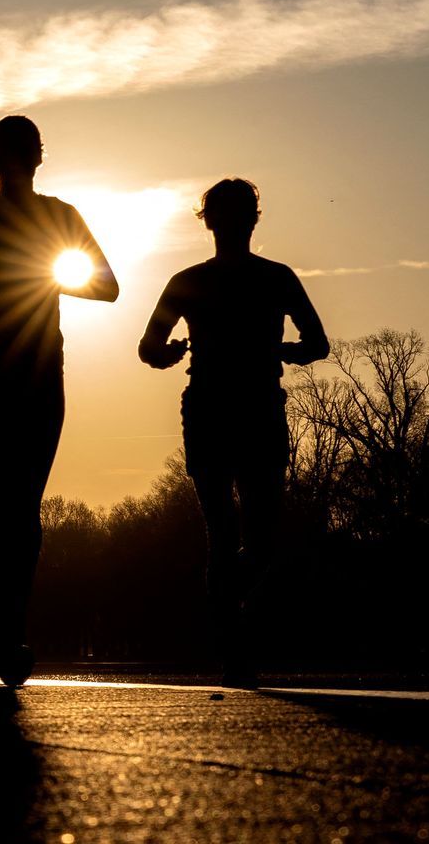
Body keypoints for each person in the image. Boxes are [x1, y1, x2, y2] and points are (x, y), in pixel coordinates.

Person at [0, 115, 117, 688]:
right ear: (37, 157)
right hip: (21, 372)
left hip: (7, 371)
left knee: (8, 503)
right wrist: (51, 282)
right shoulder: (47, 216)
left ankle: (9, 633)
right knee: (18, 504)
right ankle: (10, 633)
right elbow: (105, 286)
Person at [138, 178, 328, 687]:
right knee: (233, 533)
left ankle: (227, 623)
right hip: (228, 410)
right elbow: (148, 346)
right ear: (231, 220)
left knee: (243, 536)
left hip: (241, 410)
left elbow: (317, 342)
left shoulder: (258, 278)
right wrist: (282, 351)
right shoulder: (212, 280)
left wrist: (168, 354)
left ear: (216, 221)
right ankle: (233, 649)